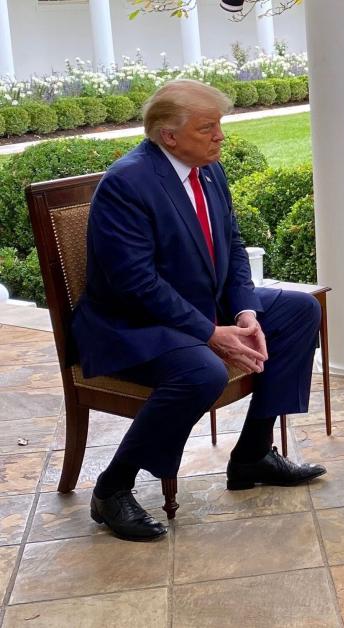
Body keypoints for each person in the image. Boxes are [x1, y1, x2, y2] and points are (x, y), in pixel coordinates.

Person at [74, 79, 327, 542]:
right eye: (207, 127)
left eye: (220, 125)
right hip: (133, 325)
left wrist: (246, 312)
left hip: (196, 307)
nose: (220, 137)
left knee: (297, 311)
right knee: (202, 372)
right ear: (168, 135)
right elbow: (135, 283)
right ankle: (112, 488)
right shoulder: (127, 184)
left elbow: (229, 245)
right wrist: (211, 332)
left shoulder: (209, 170)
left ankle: (252, 455)